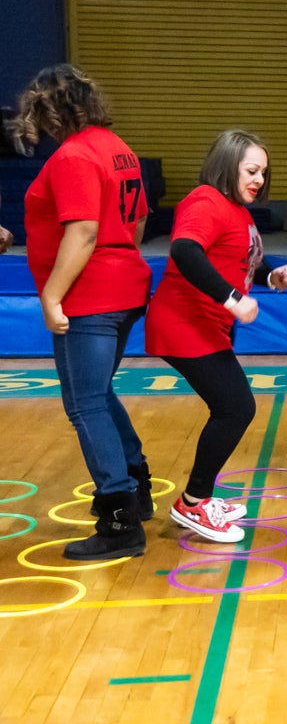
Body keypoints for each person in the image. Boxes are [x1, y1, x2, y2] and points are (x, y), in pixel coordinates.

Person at [18, 64, 154, 560]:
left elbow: (84, 231)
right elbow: (137, 218)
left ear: (53, 110)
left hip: (90, 297)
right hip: (124, 287)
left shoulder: (74, 155)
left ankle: (119, 521)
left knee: (84, 404)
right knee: (96, 394)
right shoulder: (118, 149)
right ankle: (136, 487)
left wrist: (52, 296)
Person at [143, 130, 287, 543]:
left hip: (205, 326)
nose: (259, 180)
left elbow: (236, 262)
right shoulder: (205, 201)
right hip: (183, 325)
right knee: (235, 408)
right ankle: (194, 502)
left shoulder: (237, 210)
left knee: (233, 407)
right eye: (251, 170)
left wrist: (270, 276)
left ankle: (200, 497)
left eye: (263, 172)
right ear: (227, 165)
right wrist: (232, 299)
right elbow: (185, 251)